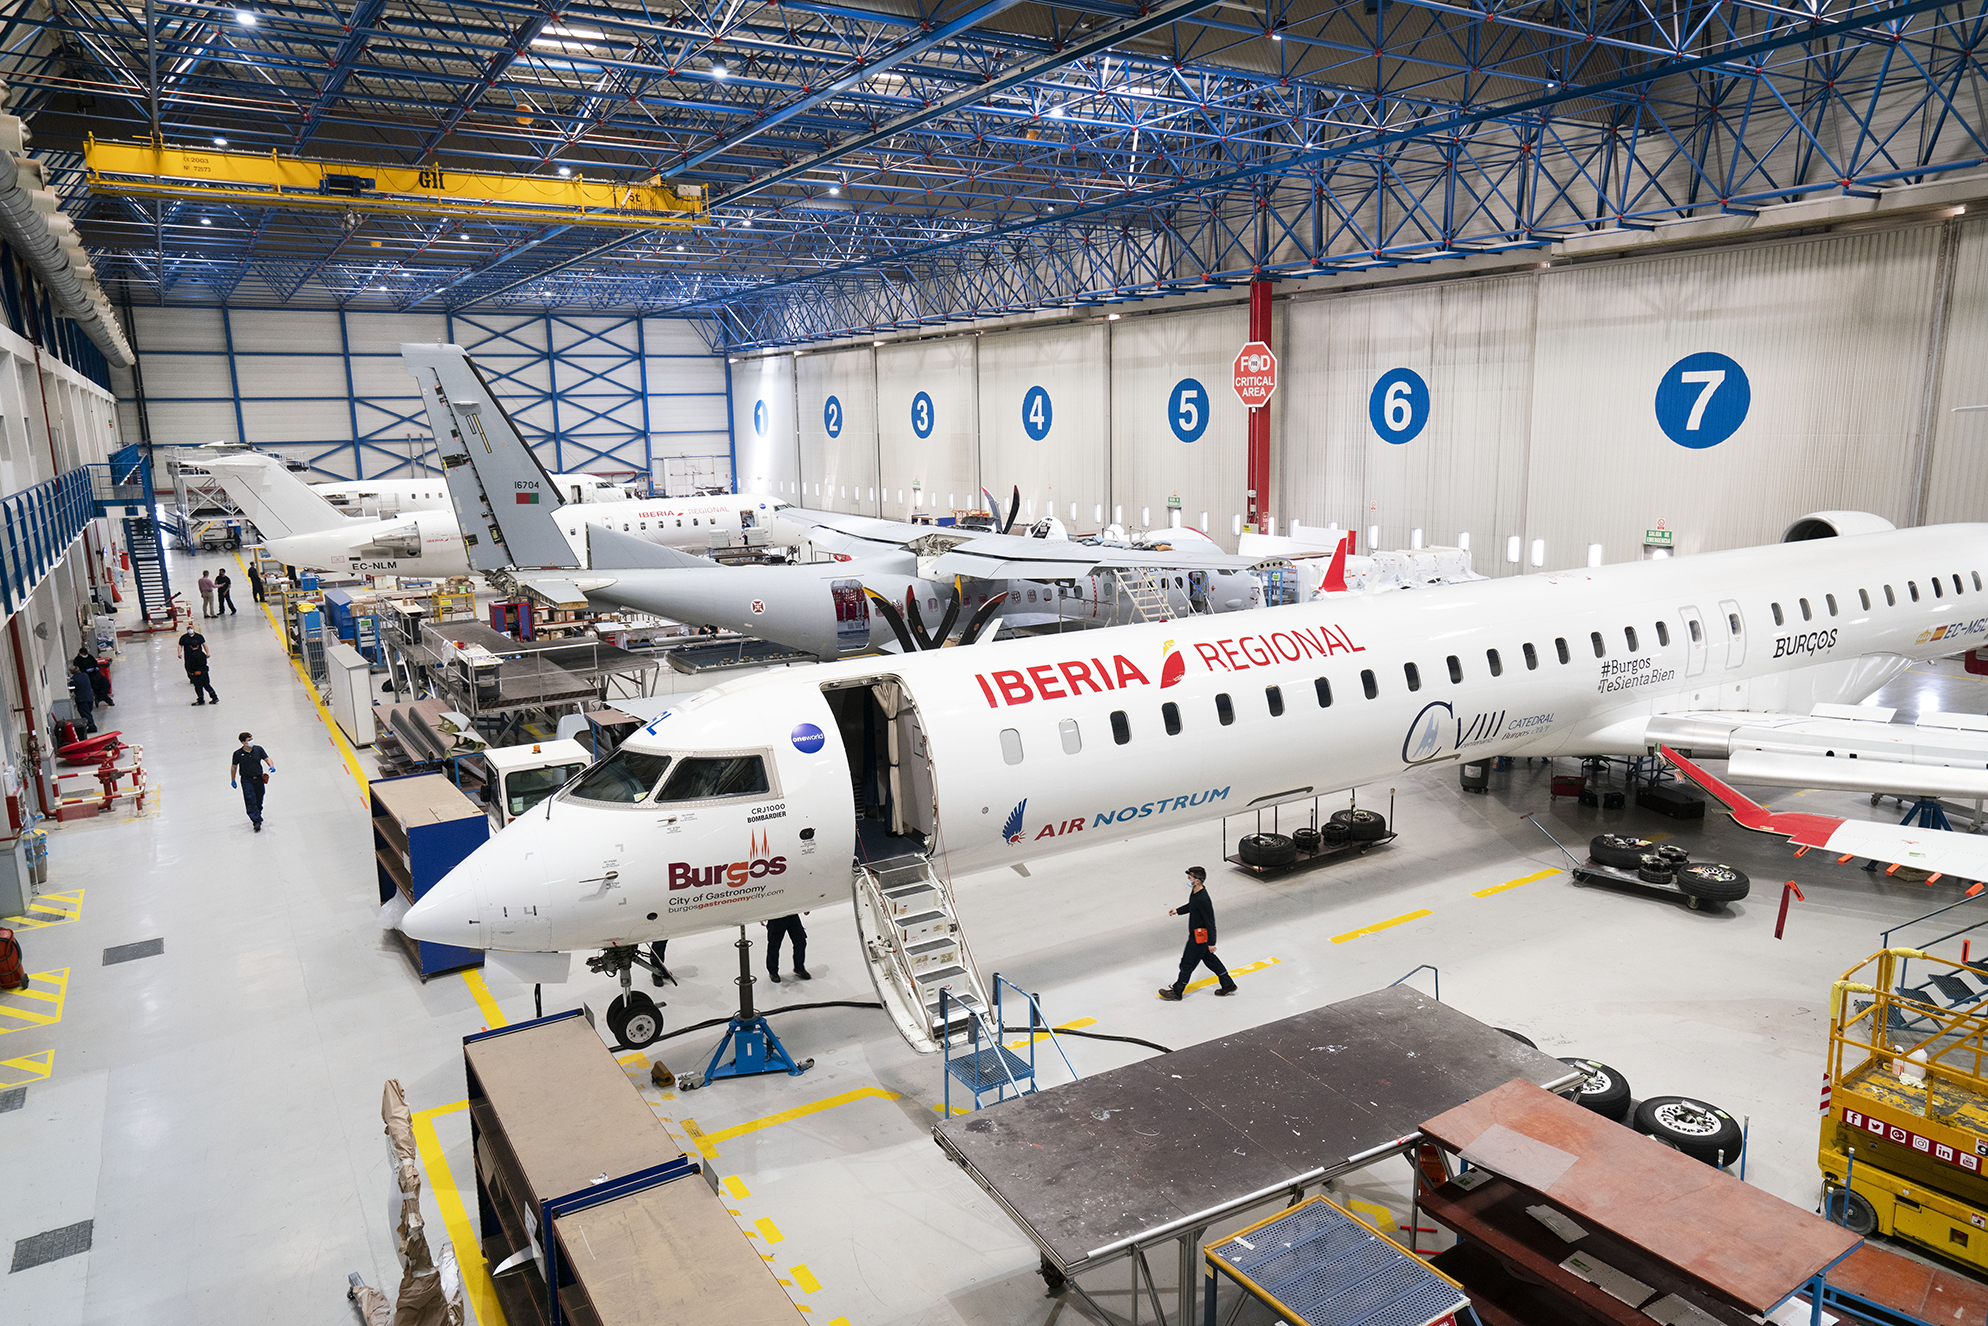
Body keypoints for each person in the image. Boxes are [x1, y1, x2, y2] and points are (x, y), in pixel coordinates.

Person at [1157, 867, 1236, 1001]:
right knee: (1211, 961)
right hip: (1199, 936)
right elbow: (1192, 906)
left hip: (1199, 938)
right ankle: (1228, 984)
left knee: (1187, 964)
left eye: (1190, 878)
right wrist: (1178, 910)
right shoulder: (1195, 892)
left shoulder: (1203, 899)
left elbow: (1210, 922)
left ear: (1198, 880)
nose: (1188, 880)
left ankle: (1177, 991)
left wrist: (1212, 942)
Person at [229, 732, 274, 832]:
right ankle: (256, 821)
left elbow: (267, 758)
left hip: (258, 778)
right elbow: (234, 767)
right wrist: (233, 780)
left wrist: (271, 766)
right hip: (247, 780)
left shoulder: (258, 749)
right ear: (243, 742)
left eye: (251, 739)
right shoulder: (237, 754)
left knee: (259, 797)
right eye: (249, 740)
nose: (251, 741)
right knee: (250, 799)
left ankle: (258, 813)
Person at [178, 626, 219, 705]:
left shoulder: (192, 656)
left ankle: (201, 700)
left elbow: (191, 666)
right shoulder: (202, 654)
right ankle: (214, 697)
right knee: (206, 684)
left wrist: (192, 672)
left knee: (198, 686)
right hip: (205, 671)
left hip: (197, 673)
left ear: (190, 646)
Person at [765, 914, 809, 982]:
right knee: (774, 946)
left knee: (800, 942)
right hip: (776, 917)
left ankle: (799, 968)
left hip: (792, 915)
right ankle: (773, 972)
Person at [67, 662, 96, 735]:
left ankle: (92, 727)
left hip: (81, 699)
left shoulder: (73, 679)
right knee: (88, 712)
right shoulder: (85, 675)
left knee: (85, 714)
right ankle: (91, 725)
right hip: (90, 697)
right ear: (79, 669)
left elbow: (71, 689)